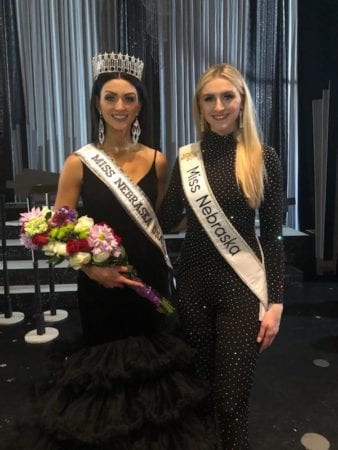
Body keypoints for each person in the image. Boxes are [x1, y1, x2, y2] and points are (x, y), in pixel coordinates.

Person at [11, 52, 212, 450]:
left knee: (155, 369)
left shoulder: (157, 160)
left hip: (149, 281)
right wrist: (91, 270)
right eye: (110, 98)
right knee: (106, 369)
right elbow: (59, 231)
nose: (120, 107)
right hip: (101, 284)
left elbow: (161, 221)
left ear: (140, 105)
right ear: (98, 104)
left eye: (129, 98)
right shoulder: (78, 163)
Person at [159, 63, 284, 449]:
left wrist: (276, 301)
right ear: (199, 106)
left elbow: (274, 235)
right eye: (209, 98)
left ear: (242, 100)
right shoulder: (186, 160)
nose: (218, 106)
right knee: (197, 391)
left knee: (231, 399)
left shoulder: (264, 157)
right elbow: (166, 218)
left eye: (227, 96)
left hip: (240, 290)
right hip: (193, 284)